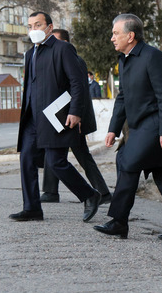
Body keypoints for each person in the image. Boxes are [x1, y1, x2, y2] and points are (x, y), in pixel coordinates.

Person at [94, 14, 162, 240]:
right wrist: (113, 128)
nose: (112, 38)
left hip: (155, 123)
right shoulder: (124, 59)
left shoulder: (153, 56)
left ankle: (119, 221)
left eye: (115, 33)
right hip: (138, 127)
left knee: (127, 162)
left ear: (130, 35)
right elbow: (123, 97)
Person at [9, 11, 101, 223]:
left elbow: (77, 83)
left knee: (56, 162)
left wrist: (76, 111)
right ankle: (32, 208)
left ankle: (89, 195)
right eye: (30, 26)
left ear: (49, 27)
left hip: (56, 116)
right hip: (32, 118)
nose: (34, 30)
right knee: (26, 159)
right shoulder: (30, 53)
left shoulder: (63, 49)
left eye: (38, 25)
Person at [40, 29, 112, 205]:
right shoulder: (53, 60)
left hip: (72, 118)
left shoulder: (74, 59)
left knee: (81, 154)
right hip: (58, 116)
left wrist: (78, 115)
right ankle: (50, 191)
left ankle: (102, 192)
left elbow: (79, 91)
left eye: (54, 40)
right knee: (53, 151)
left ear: (65, 43)